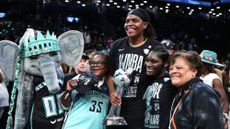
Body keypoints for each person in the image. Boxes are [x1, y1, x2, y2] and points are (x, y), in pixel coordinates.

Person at [107, 8, 162, 129]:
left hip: (139, 106)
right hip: (116, 104)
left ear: (145, 25)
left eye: (135, 20)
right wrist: (111, 92)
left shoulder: (155, 46)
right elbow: (109, 74)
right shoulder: (117, 45)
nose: (129, 24)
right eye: (127, 21)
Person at [168, 51, 224, 129]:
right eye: (171, 69)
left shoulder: (202, 92)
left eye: (179, 68)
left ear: (193, 71)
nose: (172, 71)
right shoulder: (184, 92)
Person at [61, 51, 110, 129]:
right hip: (75, 126)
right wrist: (67, 91)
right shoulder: (80, 78)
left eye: (100, 63)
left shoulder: (111, 85)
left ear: (107, 67)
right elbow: (65, 105)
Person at [143, 46, 177, 129]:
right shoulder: (150, 80)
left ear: (165, 63)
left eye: (154, 61)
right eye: (147, 60)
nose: (148, 64)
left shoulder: (171, 83)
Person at [199, 50, 229, 129]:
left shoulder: (213, 78)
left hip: (210, 116)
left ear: (207, 65)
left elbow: (224, 101)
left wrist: (224, 117)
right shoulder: (197, 76)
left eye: (200, 63)